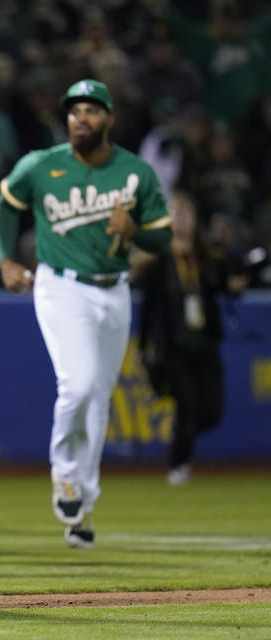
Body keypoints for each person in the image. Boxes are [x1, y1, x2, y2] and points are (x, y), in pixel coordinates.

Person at [0, 79, 173, 549]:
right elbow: (7, 206)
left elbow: (163, 238)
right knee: (79, 384)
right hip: (60, 286)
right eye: (74, 112)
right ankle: (66, 476)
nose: (81, 119)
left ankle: (84, 506)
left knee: (100, 396)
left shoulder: (135, 172)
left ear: (110, 118)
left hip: (114, 290)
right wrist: (7, 259)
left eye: (92, 111)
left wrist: (134, 229)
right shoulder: (42, 164)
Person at [138, 191, 247, 486]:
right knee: (188, 406)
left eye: (185, 214)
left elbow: (227, 286)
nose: (180, 221)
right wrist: (144, 346)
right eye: (173, 214)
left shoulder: (208, 256)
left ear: (195, 220)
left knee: (211, 412)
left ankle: (181, 439)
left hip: (206, 343)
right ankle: (178, 465)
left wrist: (237, 282)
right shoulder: (158, 261)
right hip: (173, 347)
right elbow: (148, 308)